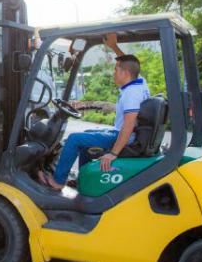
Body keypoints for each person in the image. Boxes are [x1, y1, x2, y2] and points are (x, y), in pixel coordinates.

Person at [38, 33, 150, 191]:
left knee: (74, 139)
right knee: (87, 135)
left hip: (125, 137)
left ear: (125, 74)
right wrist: (114, 47)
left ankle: (58, 181)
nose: (113, 73)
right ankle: (84, 179)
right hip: (128, 135)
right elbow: (130, 64)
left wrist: (113, 153)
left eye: (115, 70)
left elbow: (129, 124)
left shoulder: (131, 93)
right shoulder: (140, 83)